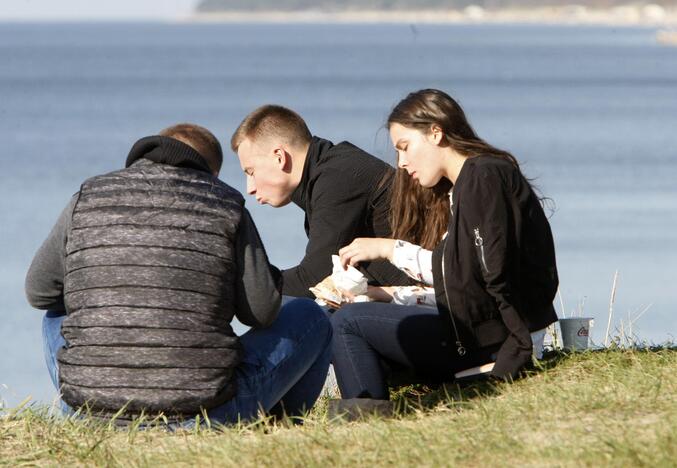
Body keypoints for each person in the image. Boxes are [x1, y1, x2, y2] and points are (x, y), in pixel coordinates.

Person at [25, 123, 332, 425]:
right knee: (309, 315)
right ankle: (279, 422)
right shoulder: (225, 203)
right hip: (202, 413)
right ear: (211, 174)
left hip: (90, 413)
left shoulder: (89, 195)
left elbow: (39, 291)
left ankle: (91, 395)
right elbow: (261, 311)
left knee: (54, 314)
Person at [330, 89, 559, 404]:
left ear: (435, 132)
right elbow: (463, 285)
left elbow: (489, 274)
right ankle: (375, 409)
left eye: (405, 147)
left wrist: (389, 249)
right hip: (489, 334)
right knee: (357, 318)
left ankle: (362, 425)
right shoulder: (472, 182)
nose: (401, 162)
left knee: (346, 324)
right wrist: (377, 295)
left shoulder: (482, 176)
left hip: (495, 341)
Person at [230, 105, 414, 298]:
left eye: (251, 172)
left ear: (279, 157)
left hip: (423, 304)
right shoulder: (330, 170)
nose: (249, 188)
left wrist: (236, 283)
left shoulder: (338, 177)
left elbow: (313, 279)